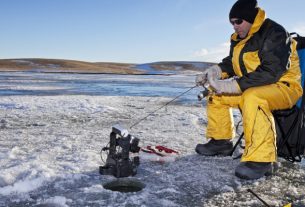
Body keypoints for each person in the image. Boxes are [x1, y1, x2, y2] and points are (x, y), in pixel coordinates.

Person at [195, 0, 303, 180]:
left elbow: (272, 71)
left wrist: (233, 85)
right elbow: (231, 62)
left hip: (284, 88)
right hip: (252, 86)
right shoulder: (237, 39)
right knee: (216, 96)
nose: (235, 26)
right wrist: (214, 71)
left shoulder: (274, 32)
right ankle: (221, 141)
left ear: (251, 18)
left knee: (253, 98)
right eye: (232, 23)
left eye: (238, 21)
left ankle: (262, 160)